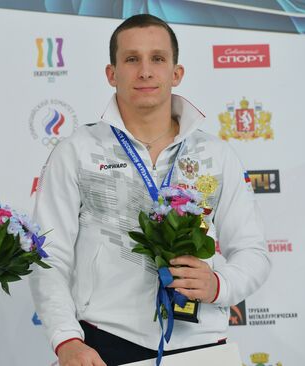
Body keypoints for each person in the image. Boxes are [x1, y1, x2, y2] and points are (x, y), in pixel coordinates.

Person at [29, 14, 271, 366]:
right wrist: (66, 339)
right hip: (104, 343)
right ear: (112, 74)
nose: (145, 71)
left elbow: (253, 253)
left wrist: (219, 284)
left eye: (157, 59)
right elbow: (50, 255)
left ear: (176, 73)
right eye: (132, 59)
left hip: (202, 344)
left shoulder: (215, 155)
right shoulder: (78, 150)